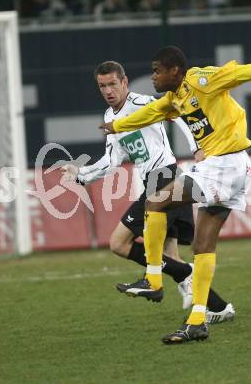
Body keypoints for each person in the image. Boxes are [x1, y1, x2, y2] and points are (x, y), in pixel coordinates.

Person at [101, 46, 251, 344]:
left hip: (225, 164)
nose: (152, 77)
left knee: (156, 200)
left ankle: (154, 277)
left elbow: (243, 72)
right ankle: (197, 321)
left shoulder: (202, 80)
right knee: (203, 246)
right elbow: (150, 113)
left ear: (174, 71)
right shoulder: (173, 98)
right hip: (227, 167)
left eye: (157, 70)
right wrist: (116, 125)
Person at [63, 61, 234, 322]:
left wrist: (196, 146)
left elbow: (178, 113)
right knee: (170, 259)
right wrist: (81, 176)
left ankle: (177, 277)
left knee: (119, 243)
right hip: (155, 182)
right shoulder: (110, 118)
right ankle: (220, 308)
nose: (108, 91)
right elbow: (111, 161)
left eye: (112, 84)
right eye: (102, 86)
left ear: (124, 82)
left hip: (164, 178)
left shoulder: (142, 104)